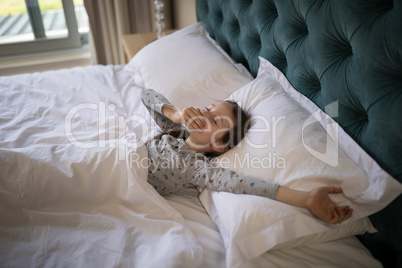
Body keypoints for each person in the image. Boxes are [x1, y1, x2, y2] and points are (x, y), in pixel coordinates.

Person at [141, 88, 353, 224]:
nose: (204, 113)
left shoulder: (193, 167)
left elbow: (241, 183)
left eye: (215, 121)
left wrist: (307, 198)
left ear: (220, 145)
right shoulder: (176, 130)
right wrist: (176, 114)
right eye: (208, 109)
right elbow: (146, 95)